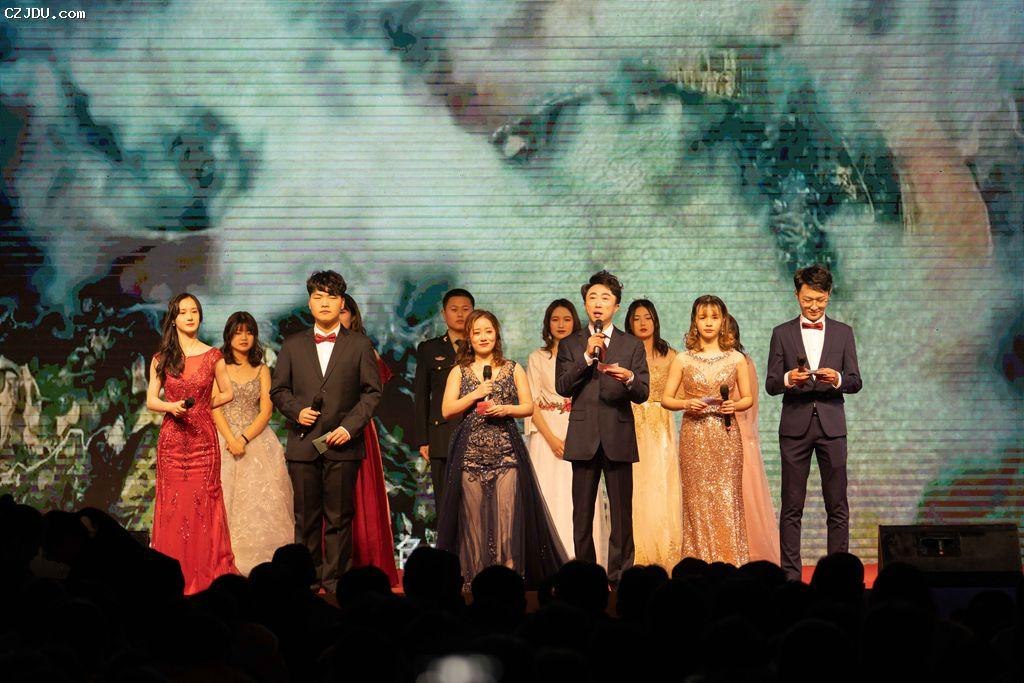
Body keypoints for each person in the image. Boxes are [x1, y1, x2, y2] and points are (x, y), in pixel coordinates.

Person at [270, 271, 383, 593]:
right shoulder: (293, 344)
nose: (324, 303)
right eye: (318, 297)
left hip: (343, 443)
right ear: (309, 303)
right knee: (305, 519)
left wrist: (349, 428)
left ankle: (335, 583)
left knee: (339, 518)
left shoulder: (359, 344)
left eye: (331, 297)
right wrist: (296, 411)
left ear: (341, 302)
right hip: (303, 442)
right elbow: (278, 389)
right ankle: (305, 582)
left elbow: (372, 392)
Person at [437, 309, 566, 586]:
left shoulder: (513, 368)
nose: (483, 337)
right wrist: (475, 395)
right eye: (477, 332)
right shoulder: (459, 371)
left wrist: (506, 408)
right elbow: (447, 409)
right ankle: (474, 581)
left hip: (506, 451)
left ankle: (509, 580)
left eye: (488, 331)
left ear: (496, 334)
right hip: (470, 453)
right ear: (469, 338)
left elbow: (528, 406)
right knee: (473, 521)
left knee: (508, 519)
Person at [765, 265, 862, 581]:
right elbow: (770, 384)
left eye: (820, 300)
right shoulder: (782, 333)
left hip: (833, 428)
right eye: (808, 300)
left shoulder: (843, 332)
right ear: (797, 295)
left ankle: (840, 577)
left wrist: (837, 379)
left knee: (838, 505)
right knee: (792, 507)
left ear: (829, 295)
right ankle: (790, 577)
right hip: (795, 428)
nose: (814, 306)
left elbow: (855, 381)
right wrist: (788, 378)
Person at [556, 271, 650, 585]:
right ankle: (585, 578)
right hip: (583, 437)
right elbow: (562, 386)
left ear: (616, 306)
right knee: (582, 513)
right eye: (592, 298)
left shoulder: (631, 344)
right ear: (585, 304)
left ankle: (620, 576)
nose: (598, 303)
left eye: (605, 298)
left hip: (618, 435)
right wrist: (586, 357)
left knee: (621, 514)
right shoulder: (571, 343)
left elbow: (643, 392)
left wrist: (630, 378)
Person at [146, 292, 237, 594]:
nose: (189, 316)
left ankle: (206, 574)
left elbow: (228, 393)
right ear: (173, 319)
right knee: (173, 506)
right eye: (183, 312)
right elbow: (151, 400)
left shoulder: (214, 356)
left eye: (194, 311)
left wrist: (203, 405)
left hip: (203, 442)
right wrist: (171, 407)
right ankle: (172, 576)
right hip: (172, 442)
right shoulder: (161, 359)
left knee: (203, 504)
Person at [662, 295, 754, 566]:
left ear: (723, 320)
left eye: (714, 317)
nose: (709, 323)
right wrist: (686, 403)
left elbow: (747, 398)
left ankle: (731, 563)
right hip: (694, 435)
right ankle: (698, 564)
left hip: (726, 436)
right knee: (697, 501)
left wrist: (734, 405)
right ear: (694, 322)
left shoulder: (736, 358)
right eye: (703, 317)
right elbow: (666, 399)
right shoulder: (683, 359)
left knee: (727, 498)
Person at [524, 299, 609, 563]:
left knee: (579, 498)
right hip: (546, 434)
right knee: (548, 493)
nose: (561, 324)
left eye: (566, 319)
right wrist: (551, 439)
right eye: (555, 319)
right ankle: (548, 561)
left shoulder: (589, 354)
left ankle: (581, 560)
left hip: (579, 429)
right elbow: (532, 402)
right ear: (547, 324)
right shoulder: (537, 358)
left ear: (575, 322)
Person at [212, 311, 295, 576]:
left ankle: (263, 568)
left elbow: (266, 411)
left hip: (256, 441)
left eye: (249, 332)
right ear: (229, 336)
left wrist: (244, 438)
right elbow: (214, 408)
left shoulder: (262, 370)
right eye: (238, 332)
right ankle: (222, 563)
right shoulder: (219, 367)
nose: (244, 337)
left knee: (262, 505)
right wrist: (230, 439)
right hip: (224, 440)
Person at [339, 293, 400, 586]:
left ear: (353, 316)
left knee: (363, 495)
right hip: (323, 429)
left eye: (344, 311)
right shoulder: (311, 349)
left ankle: (369, 564)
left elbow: (375, 389)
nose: (337, 315)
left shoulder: (364, 347)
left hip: (359, 427)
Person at [624, 298, 682, 569]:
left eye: (647, 317)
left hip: (661, 426)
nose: (643, 323)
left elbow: (681, 394)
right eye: (636, 318)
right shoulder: (623, 353)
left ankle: (665, 552)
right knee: (635, 487)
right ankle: (637, 553)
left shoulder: (671, 355)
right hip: (631, 423)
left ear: (655, 320)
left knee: (662, 486)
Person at [413, 288, 474, 515]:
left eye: (465, 309)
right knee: (446, 507)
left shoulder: (482, 345)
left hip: (476, 433)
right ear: (443, 313)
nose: (460, 314)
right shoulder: (429, 349)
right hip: (441, 436)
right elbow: (421, 396)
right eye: (454, 309)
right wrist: (423, 439)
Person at [728, 314, 781, 565]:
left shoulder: (743, 361)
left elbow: (750, 405)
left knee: (745, 496)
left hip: (738, 434)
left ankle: (749, 552)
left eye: (730, 331)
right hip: (711, 437)